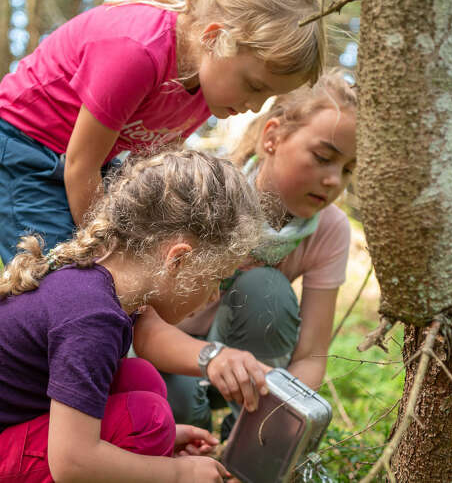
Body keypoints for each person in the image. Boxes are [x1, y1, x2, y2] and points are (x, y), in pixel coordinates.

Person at [0, 151, 266, 483]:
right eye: (217, 278)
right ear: (178, 260)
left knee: (141, 379)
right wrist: (175, 473)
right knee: (147, 419)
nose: (214, 295)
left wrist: (167, 443)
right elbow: (72, 462)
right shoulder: (92, 317)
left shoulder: (94, 287)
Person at [0, 0, 325, 264]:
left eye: (267, 98)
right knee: (57, 273)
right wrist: (103, 254)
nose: (253, 107)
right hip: (21, 144)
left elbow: (148, 173)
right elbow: (81, 166)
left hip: (88, 161)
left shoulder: (210, 88)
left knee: (130, 266)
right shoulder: (138, 52)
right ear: (215, 38)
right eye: (254, 86)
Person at [135, 72, 357, 434]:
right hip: (160, 356)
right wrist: (210, 359)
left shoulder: (330, 229)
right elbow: (142, 317)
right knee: (175, 404)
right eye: (322, 157)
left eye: (348, 169)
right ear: (272, 137)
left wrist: (269, 428)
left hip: (244, 369)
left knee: (265, 288)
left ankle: (240, 447)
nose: (335, 180)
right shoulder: (208, 188)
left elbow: (311, 356)